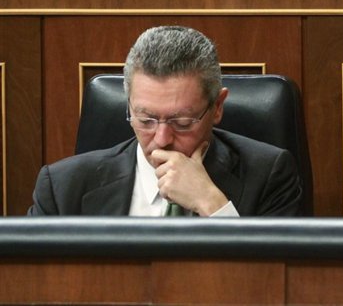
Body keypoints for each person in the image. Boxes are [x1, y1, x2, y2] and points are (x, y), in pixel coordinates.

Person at [28, 26, 302, 216]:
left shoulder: (270, 176)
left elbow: (275, 280)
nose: (161, 139)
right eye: (146, 119)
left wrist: (212, 205)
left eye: (182, 122)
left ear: (217, 107)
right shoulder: (62, 188)